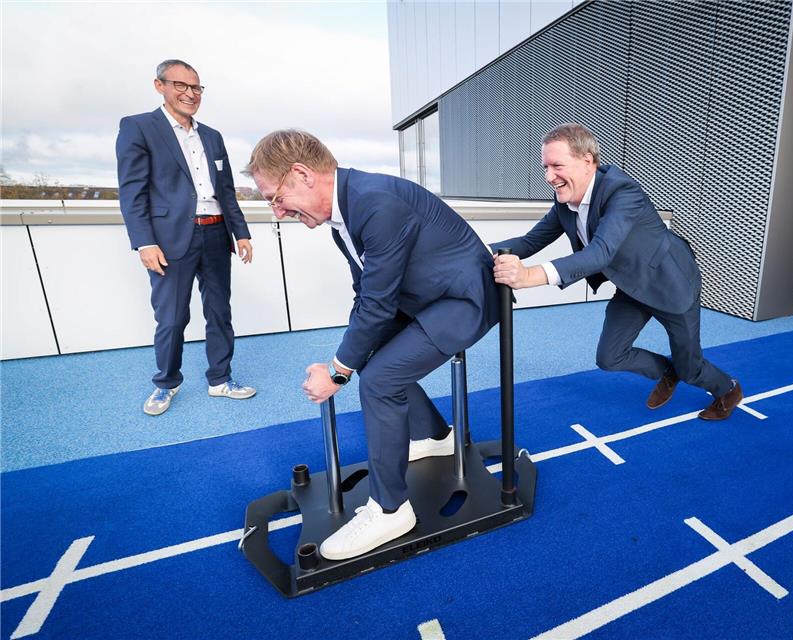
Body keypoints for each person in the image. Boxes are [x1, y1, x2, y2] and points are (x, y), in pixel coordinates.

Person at [245, 130, 499, 561]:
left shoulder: (375, 202)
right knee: (368, 355)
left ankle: (390, 510)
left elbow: (378, 303)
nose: (278, 211)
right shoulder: (343, 216)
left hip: (463, 299)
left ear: (302, 174)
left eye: (275, 197)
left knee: (378, 380)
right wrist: (346, 356)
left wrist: (338, 372)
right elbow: (367, 294)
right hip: (425, 295)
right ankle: (436, 436)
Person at [491, 123, 742, 421]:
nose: (549, 177)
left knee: (692, 368)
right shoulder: (565, 201)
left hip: (670, 282)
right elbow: (530, 241)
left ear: (587, 161)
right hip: (631, 285)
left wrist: (529, 277)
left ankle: (728, 389)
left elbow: (600, 253)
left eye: (557, 165)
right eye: (545, 167)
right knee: (610, 357)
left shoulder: (622, 191)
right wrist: (476, 253)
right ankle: (668, 371)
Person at [116, 60, 256, 416]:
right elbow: (132, 192)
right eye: (180, 85)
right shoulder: (138, 127)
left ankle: (220, 379)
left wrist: (240, 232)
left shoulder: (212, 135)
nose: (189, 94)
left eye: (196, 88)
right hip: (169, 239)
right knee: (173, 317)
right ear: (159, 85)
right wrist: (144, 242)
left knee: (219, 312)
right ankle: (166, 383)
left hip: (215, 232)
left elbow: (226, 190)